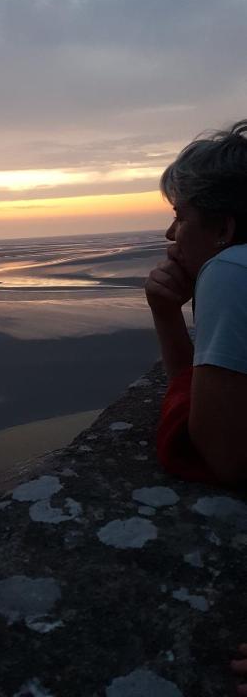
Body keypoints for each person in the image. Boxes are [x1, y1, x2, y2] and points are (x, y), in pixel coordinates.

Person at [145, 119, 247, 485]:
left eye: (180, 216)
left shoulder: (231, 269)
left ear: (223, 229)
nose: (170, 233)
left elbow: (220, 454)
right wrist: (168, 310)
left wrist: (166, 316)